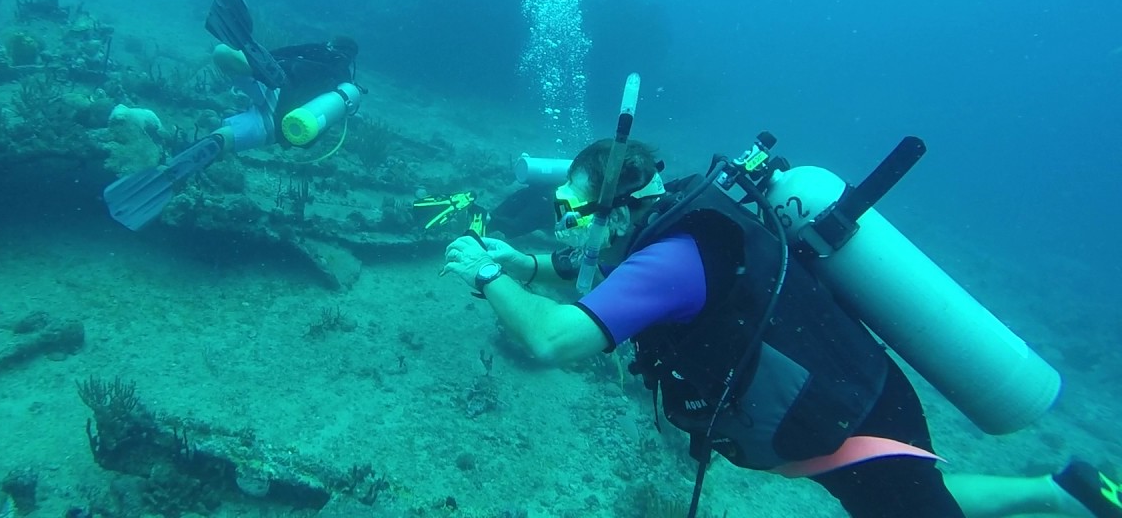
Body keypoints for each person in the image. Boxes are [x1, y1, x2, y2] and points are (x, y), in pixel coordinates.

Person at [440, 137, 1121, 518]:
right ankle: (1058, 493)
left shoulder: (672, 258)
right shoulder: (669, 225)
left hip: (851, 420)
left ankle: (1065, 497)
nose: (563, 218)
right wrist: (525, 263)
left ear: (619, 210)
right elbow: (600, 268)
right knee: (896, 502)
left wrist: (485, 274)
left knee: (909, 509)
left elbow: (550, 341)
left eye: (572, 205)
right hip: (828, 421)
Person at [103, 0, 364, 230]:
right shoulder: (345, 86)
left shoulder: (320, 51)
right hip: (285, 126)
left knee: (223, 53)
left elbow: (284, 54)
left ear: (332, 45)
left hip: (273, 88)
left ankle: (258, 70)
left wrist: (263, 62)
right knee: (226, 138)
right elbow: (311, 138)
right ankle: (212, 146)